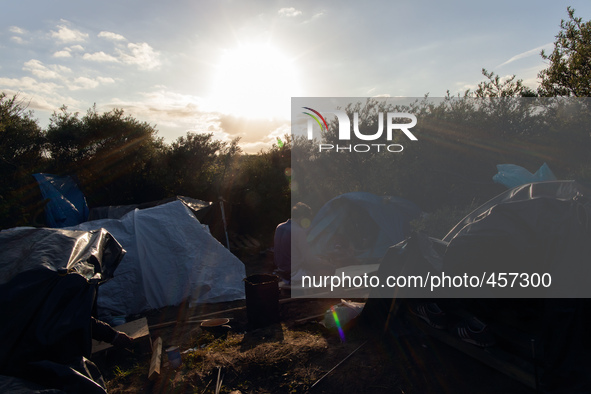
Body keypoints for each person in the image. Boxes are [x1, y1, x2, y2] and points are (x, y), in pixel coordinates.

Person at [274, 202, 333, 284]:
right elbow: (308, 259)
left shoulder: (279, 227)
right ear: (302, 217)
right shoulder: (298, 231)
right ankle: (315, 290)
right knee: (329, 269)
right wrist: (323, 261)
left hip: (281, 271)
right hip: (295, 273)